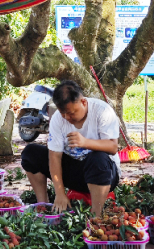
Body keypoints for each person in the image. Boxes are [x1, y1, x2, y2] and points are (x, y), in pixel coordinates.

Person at [21, 79, 120, 217]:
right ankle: (43, 206)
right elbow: (54, 157)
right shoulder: (58, 119)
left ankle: (96, 216)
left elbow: (113, 147)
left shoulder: (102, 111)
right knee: (30, 153)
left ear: (83, 102)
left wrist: (85, 142)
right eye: (63, 113)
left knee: (98, 158)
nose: (67, 117)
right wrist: (60, 193)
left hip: (104, 174)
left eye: (71, 112)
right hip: (75, 174)